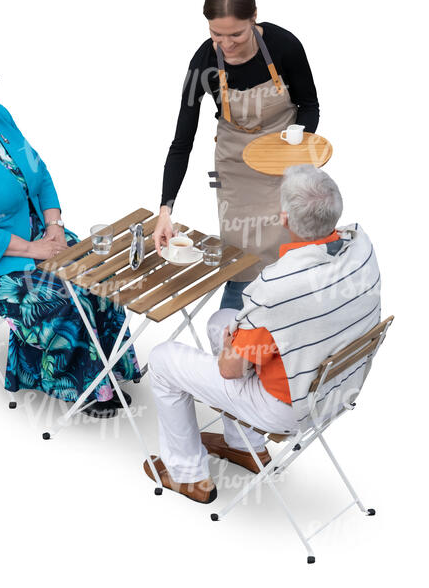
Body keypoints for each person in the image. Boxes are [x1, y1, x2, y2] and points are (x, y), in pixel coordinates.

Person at [0, 44, 139, 417]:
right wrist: (31, 250)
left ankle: (110, 369)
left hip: (36, 231)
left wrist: (54, 226)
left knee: (100, 275)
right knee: (61, 299)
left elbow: (40, 174)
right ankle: (84, 389)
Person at [144, 165, 381, 503]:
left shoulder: (279, 286)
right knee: (219, 321)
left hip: (289, 406)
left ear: (284, 219)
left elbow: (230, 370)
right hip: (337, 388)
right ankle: (244, 446)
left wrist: (232, 349)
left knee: (162, 358)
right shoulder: (361, 247)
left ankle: (188, 476)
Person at [153, 0, 320, 311]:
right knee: (242, 255)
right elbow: (181, 142)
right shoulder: (203, 64)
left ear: (254, 17)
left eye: (236, 34)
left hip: (283, 163)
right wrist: (165, 210)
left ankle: (296, 322)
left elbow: (309, 106)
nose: (226, 44)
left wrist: (298, 137)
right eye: (216, 34)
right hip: (236, 168)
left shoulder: (285, 46)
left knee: (291, 250)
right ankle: (234, 330)